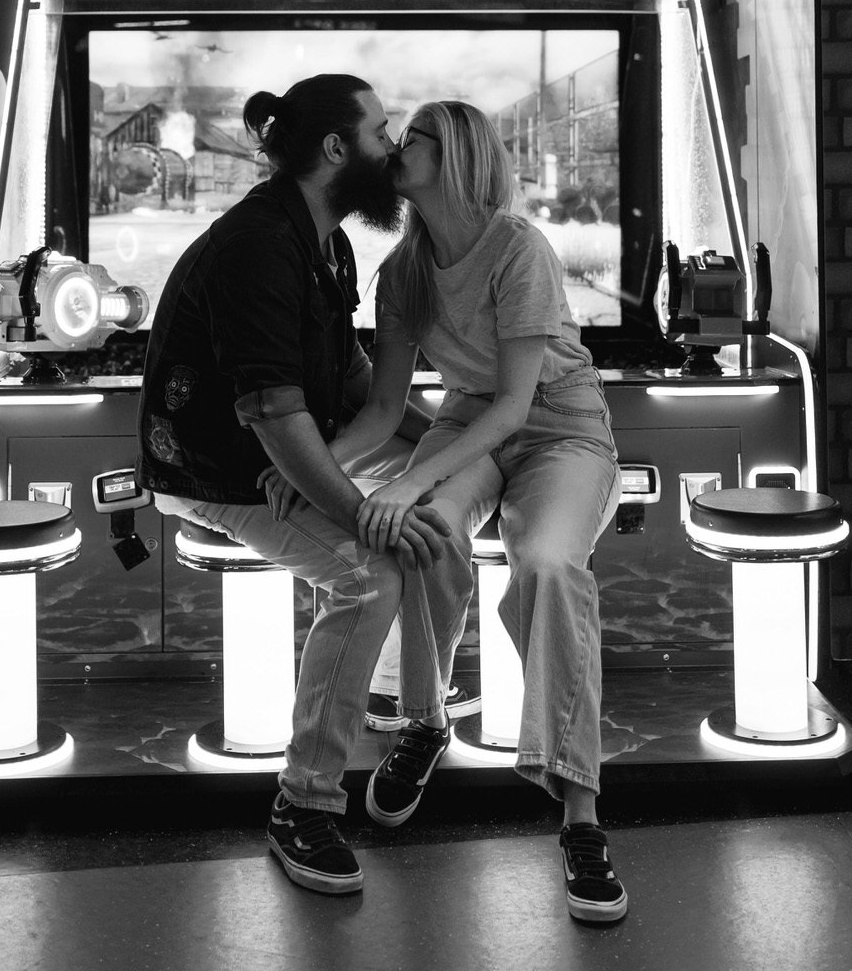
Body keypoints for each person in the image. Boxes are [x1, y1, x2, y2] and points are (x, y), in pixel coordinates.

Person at [135, 72, 450, 898]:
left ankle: (401, 709)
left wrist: (448, 442)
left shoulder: (329, 242)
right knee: (365, 575)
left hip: (286, 450)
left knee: (432, 498)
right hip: (219, 468)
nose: (391, 150)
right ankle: (302, 807)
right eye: (382, 133)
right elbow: (272, 413)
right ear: (337, 149)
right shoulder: (257, 247)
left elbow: (348, 381)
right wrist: (353, 507)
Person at [344, 99, 627, 925]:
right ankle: (425, 723)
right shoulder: (398, 273)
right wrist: (311, 474)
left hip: (560, 426)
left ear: (457, 154)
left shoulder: (517, 247)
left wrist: (405, 480)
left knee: (547, 566)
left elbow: (518, 407)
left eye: (413, 139)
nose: (396, 148)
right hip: (470, 421)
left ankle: (580, 818)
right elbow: (381, 410)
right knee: (425, 530)